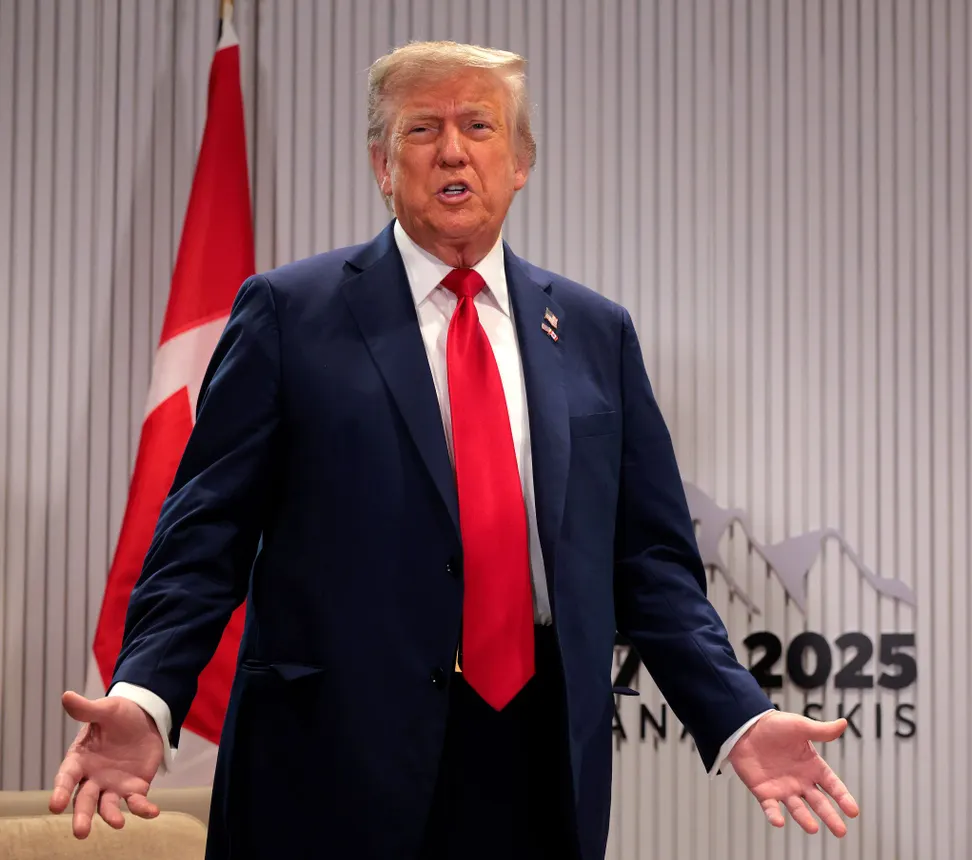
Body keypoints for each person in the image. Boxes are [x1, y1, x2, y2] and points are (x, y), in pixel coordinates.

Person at [49, 40, 858, 859]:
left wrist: (736, 712)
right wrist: (148, 693)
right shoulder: (289, 314)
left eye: (479, 125)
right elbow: (201, 538)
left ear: (520, 164)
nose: (452, 149)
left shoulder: (592, 332)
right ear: (381, 163)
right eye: (421, 129)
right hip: (331, 766)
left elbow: (648, 563)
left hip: (535, 762)